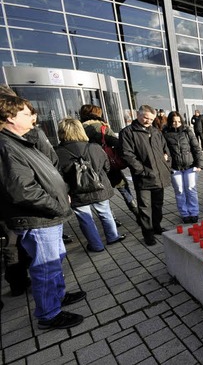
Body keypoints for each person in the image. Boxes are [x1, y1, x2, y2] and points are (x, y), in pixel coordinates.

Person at [0, 95, 85, 329]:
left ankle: (58, 296)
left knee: (54, 261)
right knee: (45, 267)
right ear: (9, 117)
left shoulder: (19, 141)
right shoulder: (6, 146)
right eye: (26, 114)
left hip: (47, 216)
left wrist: (61, 194)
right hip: (38, 218)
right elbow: (23, 191)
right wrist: (57, 205)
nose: (33, 118)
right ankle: (49, 314)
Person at [56, 118, 126, 252]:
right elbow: (106, 167)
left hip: (76, 191)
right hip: (100, 187)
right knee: (105, 212)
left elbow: (59, 176)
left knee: (85, 219)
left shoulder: (58, 153)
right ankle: (113, 236)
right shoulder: (94, 147)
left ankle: (96, 245)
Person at [120, 105, 173, 246]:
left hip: (159, 176)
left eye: (151, 119)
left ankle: (157, 227)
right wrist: (142, 171)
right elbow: (127, 154)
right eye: (146, 118)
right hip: (143, 178)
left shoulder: (156, 131)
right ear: (138, 115)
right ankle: (148, 234)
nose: (148, 121)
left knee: (158, 205)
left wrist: (167, 163)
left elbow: (165, 149)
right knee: (145, 208)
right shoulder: (128, 132)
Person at [80, 104, 139, 221]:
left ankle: (112, 219)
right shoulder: (101, 127)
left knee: (103, 196)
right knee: (124, 189)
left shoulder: (79, 129)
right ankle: (137, 214)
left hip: (92, 168)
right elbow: (117, 143)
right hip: (109, 165)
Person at [163, 111, 203, 224]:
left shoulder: (187, 131)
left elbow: (196, 148)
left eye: (179, 121)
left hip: (190, 166)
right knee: (180, 191)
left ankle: (194, 212)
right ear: (170, 122)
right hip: (175, 167)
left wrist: (199, 164)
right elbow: (163, 149)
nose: (177, 123)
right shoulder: (165, 133)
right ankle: (184, 213)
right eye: (174, 121)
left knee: (191, 189)